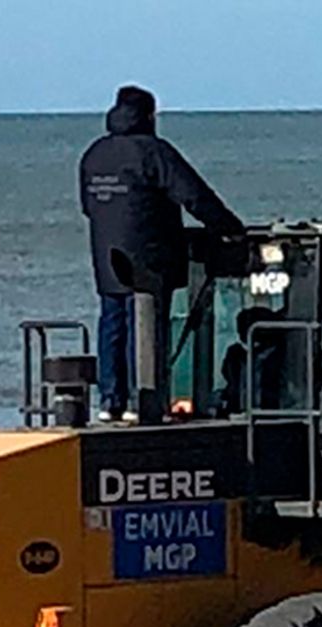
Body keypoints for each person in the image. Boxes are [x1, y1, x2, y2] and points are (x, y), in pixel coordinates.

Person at [80, 85, 245, 421]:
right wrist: (229, 227)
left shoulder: (94, 155)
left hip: (106, 253)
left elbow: (88, 206)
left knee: (113, 321)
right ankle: (143, 400)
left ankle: (110, 400)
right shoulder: (153, 152)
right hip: (150, 254)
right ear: (150, 114)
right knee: (147, 324)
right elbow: (193, 195)